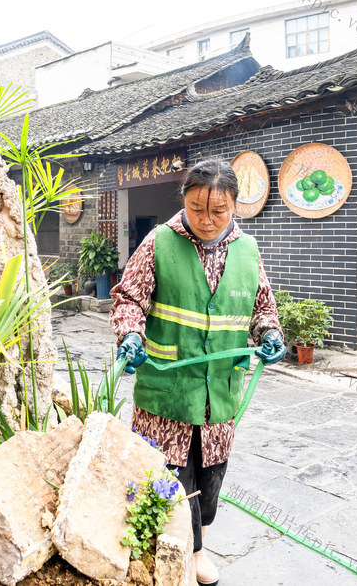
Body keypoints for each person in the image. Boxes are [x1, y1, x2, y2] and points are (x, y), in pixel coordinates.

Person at [109, 158, 283, 586]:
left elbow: (262, 306)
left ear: (235, 207)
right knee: (172, 480)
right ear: (183, 200)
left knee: (210, 479)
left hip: (219, 394)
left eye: (218, 210)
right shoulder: (159, 242)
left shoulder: (248, 250)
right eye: (196, 208)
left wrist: (270, 332)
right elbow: (129, 299)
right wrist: (130, 334)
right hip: (166, 392)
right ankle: (183, 559)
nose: (206, 220)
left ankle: (198, 546)